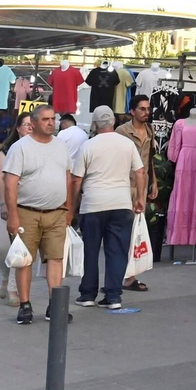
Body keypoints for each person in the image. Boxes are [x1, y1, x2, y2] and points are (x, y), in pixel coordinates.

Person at [1, 105, 74, 325]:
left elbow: (68, 177)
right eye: (45, 119)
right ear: (33, 123)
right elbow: (10, 183)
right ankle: (25, 305)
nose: (51, 123)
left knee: (55, 259)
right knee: (25, 260)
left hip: (56, 213)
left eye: (53, 119)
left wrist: (68, 208)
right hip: (27, 212)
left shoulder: (61, 146)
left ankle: (55, 304)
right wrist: (13, 215)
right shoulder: (20, 147)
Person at [69, 106, 144, 309]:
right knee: (117, 251)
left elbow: (76, 180)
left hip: (92, 204)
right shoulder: (127, 144)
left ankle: (87, 295)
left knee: (90, 251)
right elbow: (140, 171)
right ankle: (113, 296)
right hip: (121, 204)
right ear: (113, 122)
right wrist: (140, 199)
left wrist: (71, 207)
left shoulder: (88, 146)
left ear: (94, 124)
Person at [115, 95, 156, 293]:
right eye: (142, 109)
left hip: (142, 185)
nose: (146, 112)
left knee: (136, 233)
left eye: (148, 109)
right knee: (123, 232)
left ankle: (130, 276)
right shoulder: (121, 132)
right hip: (125, 185)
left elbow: (150, 160)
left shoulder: (150, 130)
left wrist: (154, 183)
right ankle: (122, 275)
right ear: (132, 111)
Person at [0, 113, 33, 304]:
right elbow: (0, 178)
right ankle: (4, 276)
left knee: (22, 247)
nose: (29, 128)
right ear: (18, 128)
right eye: (26, 125)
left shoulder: (40, 148)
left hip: (29, 205)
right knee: (2, 247)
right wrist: (3, 203)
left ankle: (13, 288)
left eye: (32, 125)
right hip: (8, 203)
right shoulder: (7, 151)